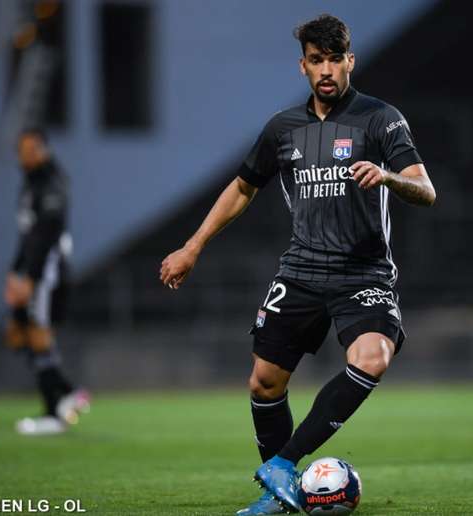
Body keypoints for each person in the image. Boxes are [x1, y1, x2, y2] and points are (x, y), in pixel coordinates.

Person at [160, 14, 435, 515]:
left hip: (364, 273)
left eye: (335, 59)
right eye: (316, 60)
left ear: (350, 61)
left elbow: (426, 190)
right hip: (302, 271)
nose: (326, 70)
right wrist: (193, 245)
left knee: (372, 356)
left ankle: (284, 464)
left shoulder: (381, 119)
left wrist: (389, 176)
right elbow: (243, 187)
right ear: (302, 66)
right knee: (264, 382)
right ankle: (278, 497)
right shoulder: (282, 129)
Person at [5, 128, 90, 436]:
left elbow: (46, 234)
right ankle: (66, 395)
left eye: (30, 148)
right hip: (32, 271)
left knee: (38, 337)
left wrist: (31, 277)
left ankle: (58, 407)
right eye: (21, 149)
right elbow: (26, 237)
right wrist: (13, 273)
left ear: (43, 149)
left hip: (47, 273)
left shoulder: (51, 182)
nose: (24, 155)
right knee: (25, 337)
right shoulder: (30, 184)